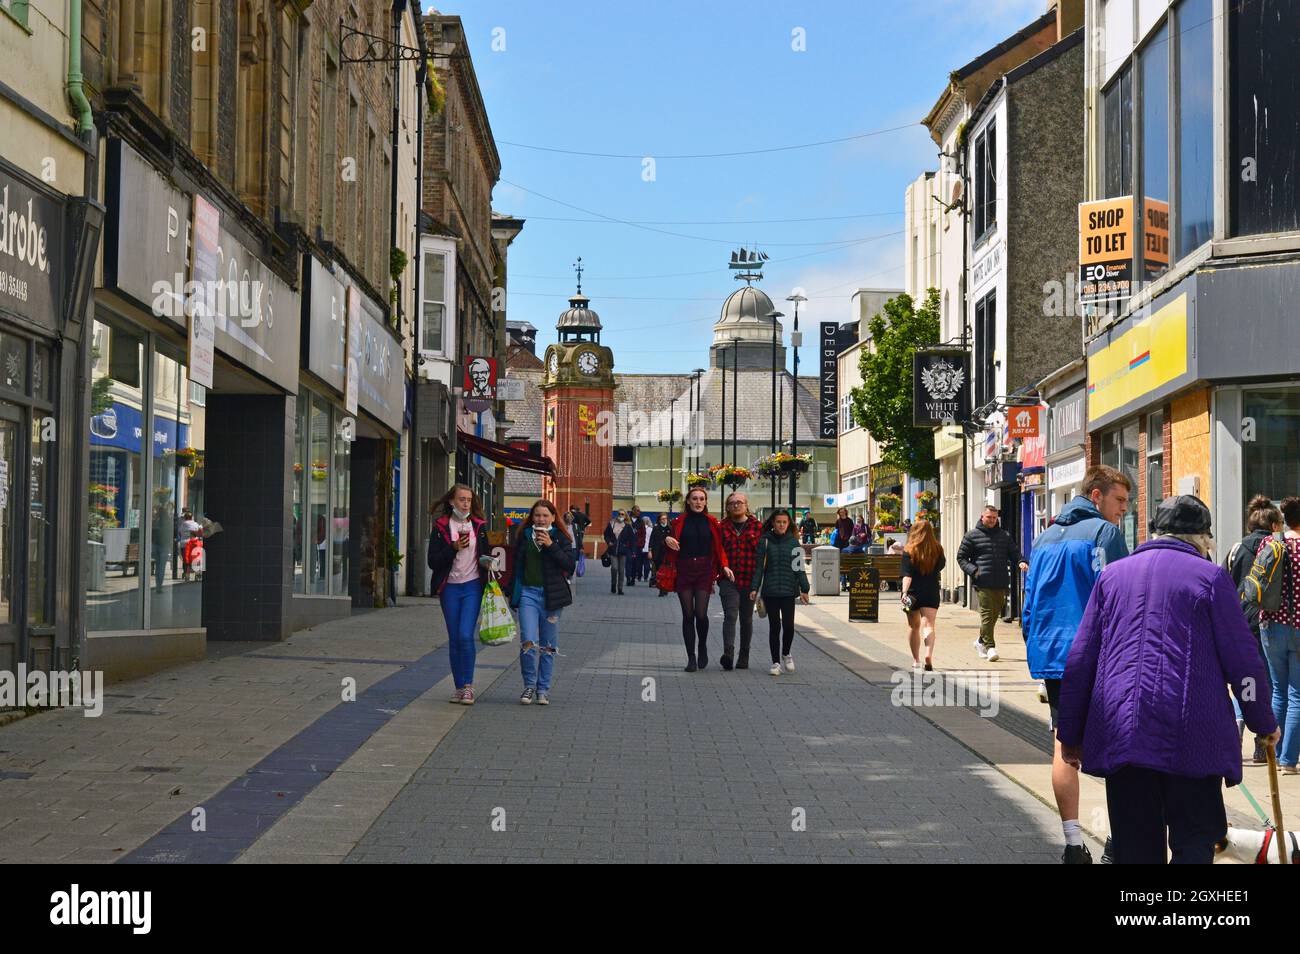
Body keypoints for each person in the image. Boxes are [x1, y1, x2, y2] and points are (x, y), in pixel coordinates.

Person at [1057, 495, 1280, 864]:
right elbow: (1243, 662)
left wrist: (1071, 733)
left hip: (1123, 732)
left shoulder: (1112, 577)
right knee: (1194, 838)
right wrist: (1262, 721)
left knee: (1134, 846)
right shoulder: (1210, 578)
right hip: (1192, 735)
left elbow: (1081, 660)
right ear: (1202, 538)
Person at [1021, 464, 1131, 863]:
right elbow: (1122, 599)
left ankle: (1072, 844)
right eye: (1120, 500)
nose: (1124, 509)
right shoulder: (1105, 534)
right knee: (1117, 746)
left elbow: (1029, 605)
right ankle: (1119, 842)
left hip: (1051, 657)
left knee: (1063, 746)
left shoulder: (1043, 538)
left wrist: (1035, 646)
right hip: (1096, 656)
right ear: (1096, 495)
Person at [428, 484, 495, 705]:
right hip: (450, 588)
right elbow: (433, 561)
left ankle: (468, 686)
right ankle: (458, 687)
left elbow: (485, 554)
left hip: (472, 586)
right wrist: (453, 547)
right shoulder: (440, 527)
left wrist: (489, 562)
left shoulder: (479, 526)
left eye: (468, 500)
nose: (466, 503)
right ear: (451, 502)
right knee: (455, 638)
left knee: (466, 635)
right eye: (461, 499)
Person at [1226, 495, 1282, 764]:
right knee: (1268, 682)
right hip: (1269, 619)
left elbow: (1226, 581)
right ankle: (1263, 742)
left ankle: (1238, 720)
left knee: (1244, 678)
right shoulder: (1276, 547)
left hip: (1240, 619)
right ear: (1273, 525)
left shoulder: (1237, 548)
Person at [509, 499, 577, 706]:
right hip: (528, 594)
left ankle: (542, 689)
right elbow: (516, 565)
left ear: (553, 518)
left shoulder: (562, 537)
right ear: (532, 517)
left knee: (548, 646)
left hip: (552, 597)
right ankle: (529, 685)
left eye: (545, 515)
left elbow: (569, 565)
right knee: (528, 641)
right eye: (537, 515)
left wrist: (550, 545)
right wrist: (512, 591)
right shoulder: (523, 535)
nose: (540, 519)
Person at [663, 487, 733, 671]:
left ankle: (702, 646)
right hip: (684, 570)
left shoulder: (711, 522)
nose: (698, 502)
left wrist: (724, 565)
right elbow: (668, 544)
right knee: (688, 615)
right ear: (688, 501)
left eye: (702, 499)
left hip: (704, 570)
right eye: (694, 499)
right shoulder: (678, 522)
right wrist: (667, 541)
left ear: (706, 502)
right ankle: (691, 657)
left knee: (701, 614)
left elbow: (719, 548)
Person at [1257, 495, 1300, 775]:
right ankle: (1288, 761)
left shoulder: (1271, 542)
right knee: (1297, 693)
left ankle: (1271, 752)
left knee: (1277, 689)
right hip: (1299, 625)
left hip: (1271, 623)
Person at [956, 505, 1028, 663]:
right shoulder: (972, 536)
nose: (992, 520)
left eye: (995, 518)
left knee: (995, 614)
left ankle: (980, 642)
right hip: (982, 581)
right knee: (988, 615)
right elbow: (961, 557)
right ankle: (990, 647)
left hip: (1001, 581)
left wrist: (1021, 561)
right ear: (982, 517)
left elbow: (1014, 553)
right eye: (989, 517)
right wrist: (974, 571)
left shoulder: (1004, 535)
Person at [750, 509, 810, 676]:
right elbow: (759, 568)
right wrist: (754, 588)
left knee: (789, 627)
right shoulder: (764, 541)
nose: (781, 525)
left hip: (789, 591)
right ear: (773, 523)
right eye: (778, 522)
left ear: (788, 523)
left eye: (784, 522)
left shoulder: (793, 543)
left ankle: (786, 653)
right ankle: (775, 662)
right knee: (774, 627)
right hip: (770, 591)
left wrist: (805, 589)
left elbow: (799, 569)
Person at [717, 491, 763, 670]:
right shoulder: (722, 527)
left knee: (746, 619)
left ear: (746, 505)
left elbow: (763, 555)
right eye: (732, 503)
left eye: (740, 502)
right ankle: (728, 653)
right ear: (727, 507)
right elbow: (716, 551)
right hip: (729, 579)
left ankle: (744, 655)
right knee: (730, 614)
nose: (736, 505)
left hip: (750, 579)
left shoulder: (757, 526)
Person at [900, 519, 945, 671]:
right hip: (931, 590)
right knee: (929, 625)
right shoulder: (938, 549)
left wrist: (904, 592)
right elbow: (940, 567)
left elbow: (907, 575)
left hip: (912, 593)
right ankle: (928, 654)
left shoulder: (909, 549)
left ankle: (916, 660)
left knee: (913, 626)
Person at [603, 510, 635, 595]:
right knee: (614, 568)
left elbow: (632, 539)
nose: (620, 515)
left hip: (623, 551)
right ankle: (613, 583)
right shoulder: (611, 524)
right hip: (613, 550)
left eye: (622, 514)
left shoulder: (627, 526)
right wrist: (608, 541)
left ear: (625, 516)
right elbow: (606, 534)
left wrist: (632, 551)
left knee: (621, 570)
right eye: (619, 514)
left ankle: (620, 588)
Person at [650, 512, 672, 597]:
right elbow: (652, 540)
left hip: (667, 554)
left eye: (665, 519)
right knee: (659, 572)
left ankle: (665, 588)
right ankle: (661, 589)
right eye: (662, 519)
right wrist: (650, 551)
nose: (664, 520)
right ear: (659, 520)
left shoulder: (670, 528)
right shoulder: (656, 528)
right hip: (657, 553)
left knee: (666, 573)